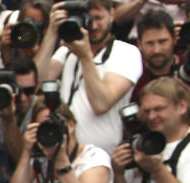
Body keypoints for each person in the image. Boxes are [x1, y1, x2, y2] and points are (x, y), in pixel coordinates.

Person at [33, 0, 142, 154]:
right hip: (63, 151)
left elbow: (101, 104)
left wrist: (85, 56)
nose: (93, 25)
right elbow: (36, 83)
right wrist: (52, 32)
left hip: (100, 155)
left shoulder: (126, 52)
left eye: (98, 18)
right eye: (88, 19)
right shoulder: (67, 51)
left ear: (111, 15)